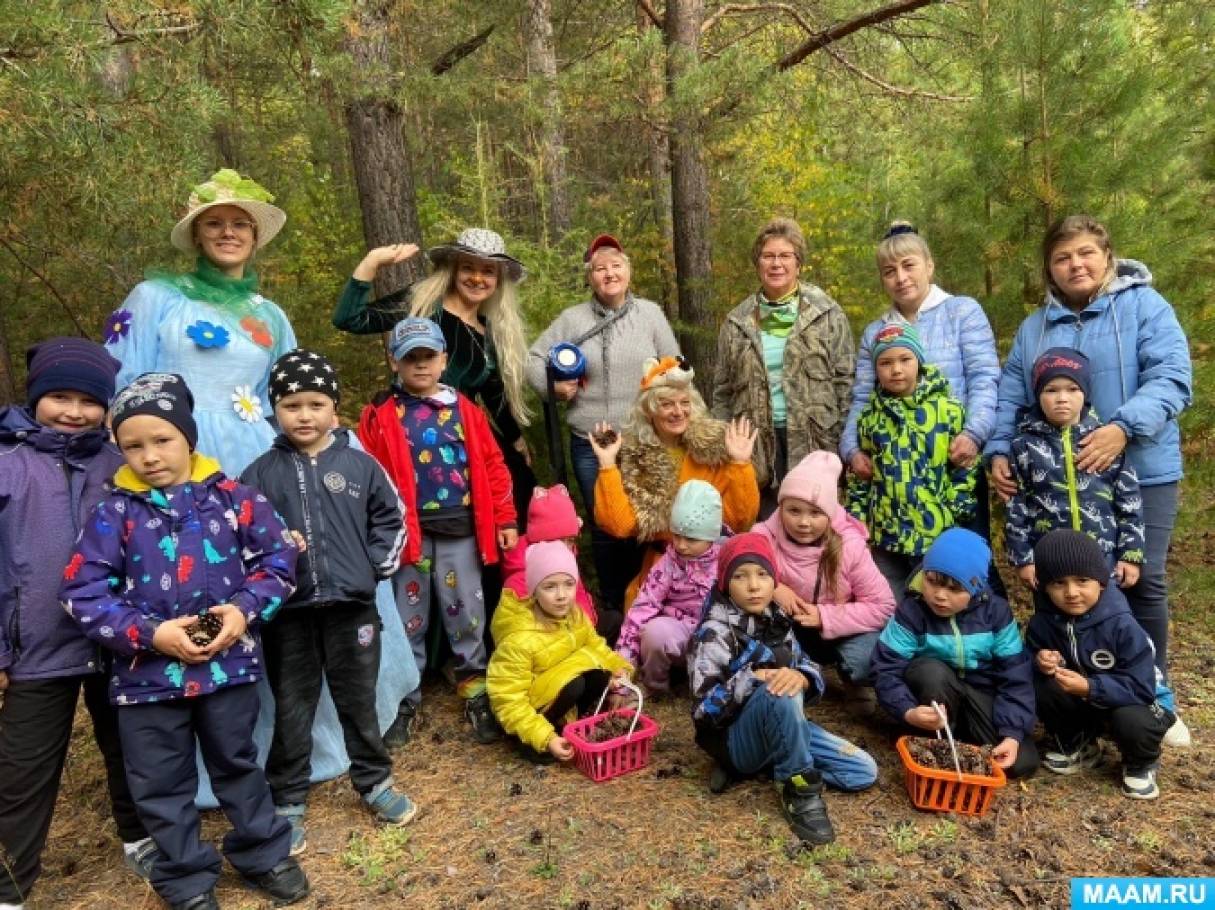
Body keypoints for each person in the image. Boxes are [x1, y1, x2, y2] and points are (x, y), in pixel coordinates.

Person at [103, 168, 415, 794]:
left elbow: (292, 394)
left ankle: (302, 738)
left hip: (265, 466)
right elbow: (124, 382)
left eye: (239, 225)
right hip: (188, 461)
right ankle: (215, 754)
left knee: (292, 586)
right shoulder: (155, 297)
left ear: (255, 237)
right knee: (200, 589)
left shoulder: (269, 313)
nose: (228, 233)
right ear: (195, 233)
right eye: (215, 223)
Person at [58, 373, 309, 910]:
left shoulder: (235, 499)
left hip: (227, 670)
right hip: (144, 681)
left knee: (237, 763)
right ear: (119, 448)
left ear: (188, 436)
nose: (149, 456)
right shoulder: (113, 513)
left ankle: (264, 852)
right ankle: (186, 879)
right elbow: (81, 592)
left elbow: (279, 558)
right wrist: (151, 635)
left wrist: (243, 613)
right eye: (133, 445)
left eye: (162, 439)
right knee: (160, 782)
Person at [985, 214, 1193, 748]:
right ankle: (1070, 693)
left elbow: (1172, 378)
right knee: (1061, 586)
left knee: (1139, 580)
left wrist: (1122, 429)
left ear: (1107, 256)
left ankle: (1152, 694)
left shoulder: (1145, 306)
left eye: (1085, 254)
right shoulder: (1037, 328)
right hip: (1053, 484)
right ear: (1049, 269)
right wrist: (1000, 449)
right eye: (1062, 257)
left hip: (1140, 470)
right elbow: (1011, 394)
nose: (1075, 264)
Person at [240, 349, 416, 856]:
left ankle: (375, 782)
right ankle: (289, 799)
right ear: (276, 410)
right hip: (288, 614)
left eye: (315, 403)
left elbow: (392, 516)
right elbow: (241, 535)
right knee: (292, 706)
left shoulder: (360, 465)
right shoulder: (258, 474)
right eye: (292, 405)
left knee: (357, 700)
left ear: (333, 410)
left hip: (353, 609)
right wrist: (269, 562)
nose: (304, 415)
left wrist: (374, 566)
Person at [0, 340, 154, 910]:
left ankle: (140, 837)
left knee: (132, 748)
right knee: (23, 770)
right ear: (36, 396)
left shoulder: (120, 467)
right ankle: (9, 885)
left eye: (88, 401)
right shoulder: (7, 466)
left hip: (119, 643)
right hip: (35, 647)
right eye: (59, 397)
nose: (73, 411)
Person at [358, 318, 517, 746]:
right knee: (407, 615)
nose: (421, 365)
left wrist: (505, 519)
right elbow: (365, 471)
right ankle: (405, 694)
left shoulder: (466, 410)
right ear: (395, 361)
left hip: (460, 528)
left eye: (428, 356)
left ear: (443, 359)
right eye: (411, 357)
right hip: (406, 532)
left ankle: (473, 682)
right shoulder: (380, 412)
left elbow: (493, 466)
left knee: (465, 607)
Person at [332, 229, 536, 522]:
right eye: (468, 267)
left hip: (462, 432)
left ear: (498, 280)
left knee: (518, 485)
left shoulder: (486, 330)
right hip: (417, 433)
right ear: (453, 270)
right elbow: (349, 318)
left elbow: (492, 392)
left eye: (488, 271)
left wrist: (516, 440)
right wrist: (372, 263)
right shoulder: (423, 306)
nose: (477, 279)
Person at [688, 533, 878, 846]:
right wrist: (752, 679)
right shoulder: (713, 633)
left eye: (763, 575)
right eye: (740, 576)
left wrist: (802, 677)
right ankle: (799, 789)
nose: (753, 586)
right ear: (724, 583)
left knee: (862, 771)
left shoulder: (778, 621)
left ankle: (776, 762)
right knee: (780, 688)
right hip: (737, 739)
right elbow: (703, 711)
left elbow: (809, 665)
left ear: (774, 581)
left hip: (782, 722)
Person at [526, 234, 681, 612]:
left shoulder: (650, 314)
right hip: (590, 441)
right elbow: (533, 359)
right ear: (590, 278)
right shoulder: (572, 319)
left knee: (648, 520)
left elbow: (674, 363)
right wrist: (555, 388)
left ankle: (647, 601)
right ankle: (612, 608)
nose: (608, 273)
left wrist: (668, 406)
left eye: (616, 266)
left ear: (628, 272)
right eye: (599, 268)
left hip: (644, 438)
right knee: (605, 525)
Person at [842, 222, 1000, 584]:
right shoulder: (876, 332)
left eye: (908, 265)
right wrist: (852, 450)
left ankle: (986, 637)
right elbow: (863, 398)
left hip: (952, 463)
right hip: (895, 477)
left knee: (965, 566)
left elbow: (985, 379)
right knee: (903, 572)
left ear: (928, 265)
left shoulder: (961, 312)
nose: (900, 277)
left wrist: (974, 434)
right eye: (889, 271)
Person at [589, 356, 759, 611]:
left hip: (712, 566)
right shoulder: (637, 456)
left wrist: (740, 465)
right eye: (667, 404)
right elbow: (620, 525)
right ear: (649, 410)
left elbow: (739, 521)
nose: (678, 412)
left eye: (684, 403)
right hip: (661, 570)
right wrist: (608, 465)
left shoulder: (714, 449)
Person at [711, 218, 855, 514]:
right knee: (763, 527)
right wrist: (723, 444)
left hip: (814, 440)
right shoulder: (736, 322)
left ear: (798, 263)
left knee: (812, 527)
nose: (776, 263)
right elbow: (723, 393)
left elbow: (846, 382)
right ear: (758, 263)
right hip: (756, 445)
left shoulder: (826, 313)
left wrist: (846, 446)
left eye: (784, 256)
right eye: (768, 256)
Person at [871, 528, 1039, 779]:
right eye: (932, 581)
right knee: (930, 671)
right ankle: (931, 737)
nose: (939, 595)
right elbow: (885, 669)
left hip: (981, 694)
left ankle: (964, 737)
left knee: (1022, 763)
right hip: (935, 693)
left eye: (954, 589)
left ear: (975, 588)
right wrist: (907, 711)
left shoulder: (996, 613)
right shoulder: (911, 612)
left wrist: (1012, 734)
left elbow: (1015, 674)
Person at [1025, 530, 1175, 799]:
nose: (1071, 592)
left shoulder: (1122, 625)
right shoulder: (1043, 623)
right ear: (1045, 587)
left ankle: (1141, 762)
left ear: (1102, 582)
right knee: (1042, 684)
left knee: (1130, 720)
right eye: (1058, 583)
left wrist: (1090, 687)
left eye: (1082, 581)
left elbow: (1142, 687)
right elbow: (1026, 660)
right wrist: (1039, 661)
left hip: (1141, 702)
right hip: (1088, 701)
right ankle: (1079, 743)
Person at [753, 452, 895, 714]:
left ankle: (854, 679)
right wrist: (773, 586)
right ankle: (782, 675)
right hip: (784, 629)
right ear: (780, 507)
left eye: (815, 513)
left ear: (830, 513)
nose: (803, 522)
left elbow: (883, 606)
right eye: (794, 510)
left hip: (838, 630)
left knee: (867, 655)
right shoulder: (762, 537)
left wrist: (824, 616)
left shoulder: (850, 547)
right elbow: (730, 574)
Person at [845, 324, 976, 599]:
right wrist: (856, 521)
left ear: (918, 361)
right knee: (890, 600)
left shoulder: (947, 411)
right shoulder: (870, 419)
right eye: (886, 363)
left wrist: (957, 507)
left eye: (905, 360)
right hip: (886, 535)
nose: (896, 370)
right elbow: (861, 475)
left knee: (930, 599)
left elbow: (965, 466)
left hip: (934, 533)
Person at [1005, 348, 1144, 589]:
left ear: (1085, 393)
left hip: (1103, 561)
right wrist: (1023, 559)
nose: (1062, 398)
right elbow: (1015, 507)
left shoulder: (1104, 442)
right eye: (1051, 390)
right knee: (1052, 622)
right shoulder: (1023, 447)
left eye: (1072, 389)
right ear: (1038, 395)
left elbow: (1129, 501)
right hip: (1048, 562)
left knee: (1108, 619)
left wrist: (1130, 555)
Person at [487, 541, 632, 763]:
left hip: (556, 692)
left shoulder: (575, 615)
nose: (562, 595)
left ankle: (569, 723)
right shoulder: (519, 639)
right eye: (550, 587)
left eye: (568, 584)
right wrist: (546, 737)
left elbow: (596, 646)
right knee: (575, 684)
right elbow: (508, 699)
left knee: (598, 674)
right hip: (531, 713)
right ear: (534, 591)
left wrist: (617, 668)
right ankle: (539, 739)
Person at [615, 480, 723, 695]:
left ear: (711, 535)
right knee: (655, 632)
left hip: (718, 637)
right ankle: (656, 687)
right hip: (680, 635)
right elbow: (643, 606)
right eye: (676, 536)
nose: (681, 545)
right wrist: (624, 659)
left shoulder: (728, 560)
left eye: (691, 539)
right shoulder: (669, 564)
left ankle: (714, 688)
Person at [500, 484, 598, 629]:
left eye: (570, 540)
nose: (565, 548)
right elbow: (520, 627)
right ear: (540, 541)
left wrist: (587, 623)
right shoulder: (520, 578)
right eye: (557, 541)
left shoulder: (566, 556)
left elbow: (580, 595)